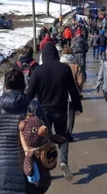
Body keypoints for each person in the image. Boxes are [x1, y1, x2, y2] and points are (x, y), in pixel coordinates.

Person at [25, 43, 82, 181]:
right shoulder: (65, 69)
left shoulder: (38, 71)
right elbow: (72, 90)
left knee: (43, 139)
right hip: (61, 110)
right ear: (57, 55)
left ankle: (43, 167)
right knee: (62, 137)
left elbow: (30, 93)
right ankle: (63, 161)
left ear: (43, 56)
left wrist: (25, 109)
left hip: (43, 112)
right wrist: (77, 105)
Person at [60, 47, 85, 143]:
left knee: (62, 113)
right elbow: (80, 81)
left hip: (61, 93)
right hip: (73, 94)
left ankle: (62, 132)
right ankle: (69, 133)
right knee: (71, 114)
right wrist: (79, 90)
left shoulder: (59, 65)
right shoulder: (76, 66)